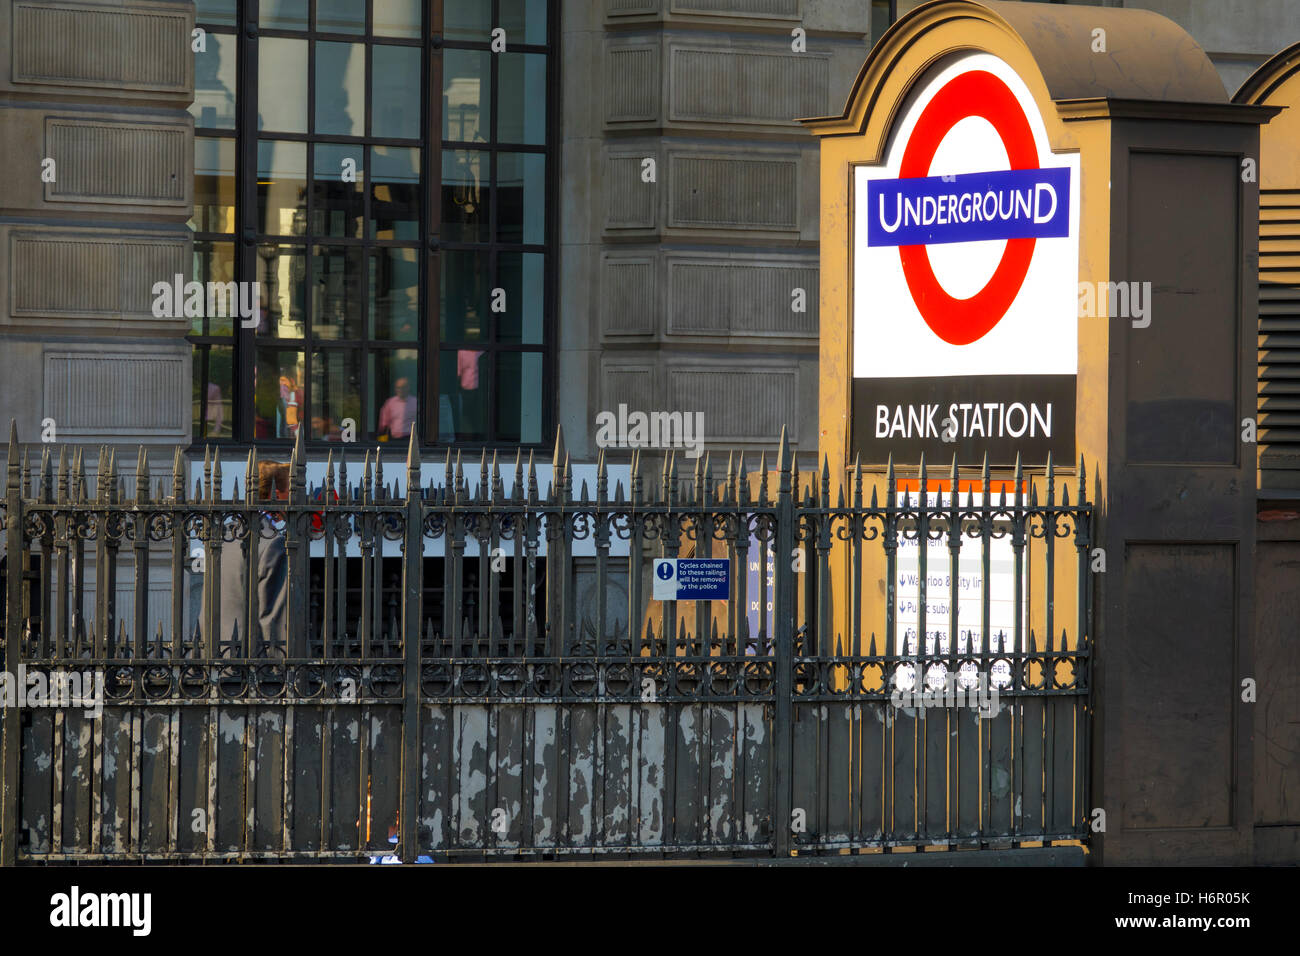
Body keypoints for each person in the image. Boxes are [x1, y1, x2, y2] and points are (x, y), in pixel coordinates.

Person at [210, 462, 290, 654]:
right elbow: (273, 617)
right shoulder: (272, 543)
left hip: (216, 654)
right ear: (277, 494)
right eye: (292, 490)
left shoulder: (227, 532)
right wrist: (283, 671)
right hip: (250, 661)